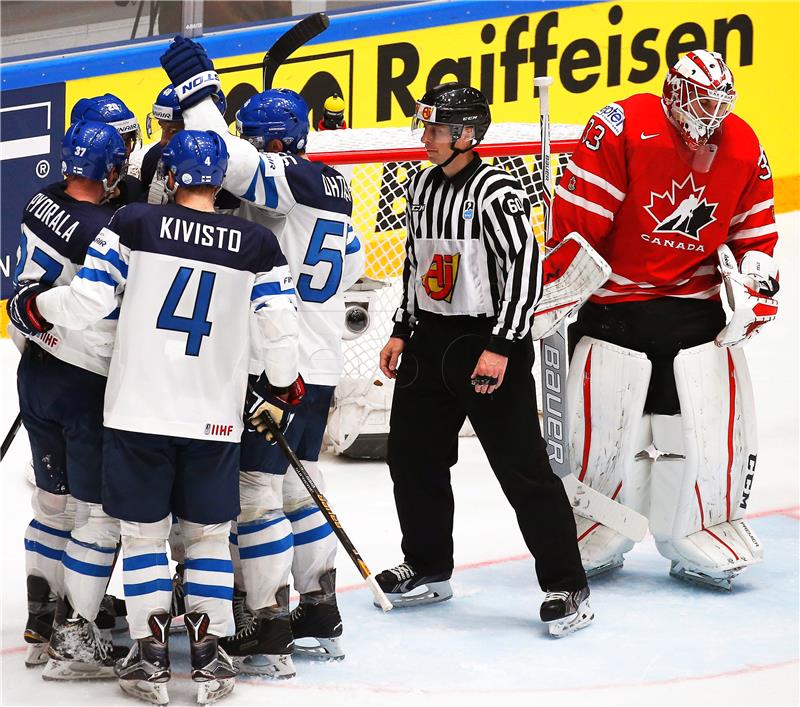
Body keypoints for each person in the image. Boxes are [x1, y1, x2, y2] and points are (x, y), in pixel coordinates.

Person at [9, 129, 301, 705]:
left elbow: (89, 303)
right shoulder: (256, 244)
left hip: (137, 410)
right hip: (214, 416)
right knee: (210, 537)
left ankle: (148, 655)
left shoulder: (134, 224)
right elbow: (280, 329)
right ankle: (211, 651)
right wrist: (278, 384)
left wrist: (34, 303)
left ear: (171, 174)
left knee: (142, 537)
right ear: (220, 179)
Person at [160, 36, 364, 673]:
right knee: (301, 488)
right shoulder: (334, 188)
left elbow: (226, 160)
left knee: (256, 493)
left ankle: (269, 614)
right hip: (322, 365)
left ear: (274, 143)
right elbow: (351, 259)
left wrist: (200, 92)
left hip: (281, 367)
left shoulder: (288, 181)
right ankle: (319, 602)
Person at [547, 49, 779, 589]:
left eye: (721, 101)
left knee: (699, 426)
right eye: (701, 99)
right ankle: (594, 521)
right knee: (607, 427)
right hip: (612, 307)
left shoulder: (743, 145)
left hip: (693, 309)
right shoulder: (623, 126)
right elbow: (578, 226)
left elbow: (754, 234)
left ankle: (698, 526)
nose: (712, 112)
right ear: (674, 92)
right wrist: (561, 288)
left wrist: (754, 289)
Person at [374, 82, 592, 637]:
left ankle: (567, 585)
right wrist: (402, 329)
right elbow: (413, 263)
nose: (425, 138)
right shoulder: (422, 186)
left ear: (466, 135)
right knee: (413, 459)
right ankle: (428, 566)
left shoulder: (499, 192)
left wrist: (501, 346)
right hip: (428, 342)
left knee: (521, 469)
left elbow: (524, 269)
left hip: (484, 343)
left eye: (435, 129)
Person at [7, 120, 127, 677]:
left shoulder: (40, 200)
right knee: (96, 512)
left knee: (51, 503)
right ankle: (78, 627)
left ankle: (41, 619)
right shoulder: (107, 232)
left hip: (35, 369)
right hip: (84, 380)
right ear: (107, 171)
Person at [128, 84, 230, 205]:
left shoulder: (237, 170)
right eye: (162, 127)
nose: (163, 141)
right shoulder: (154, 157)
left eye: (174, 131)